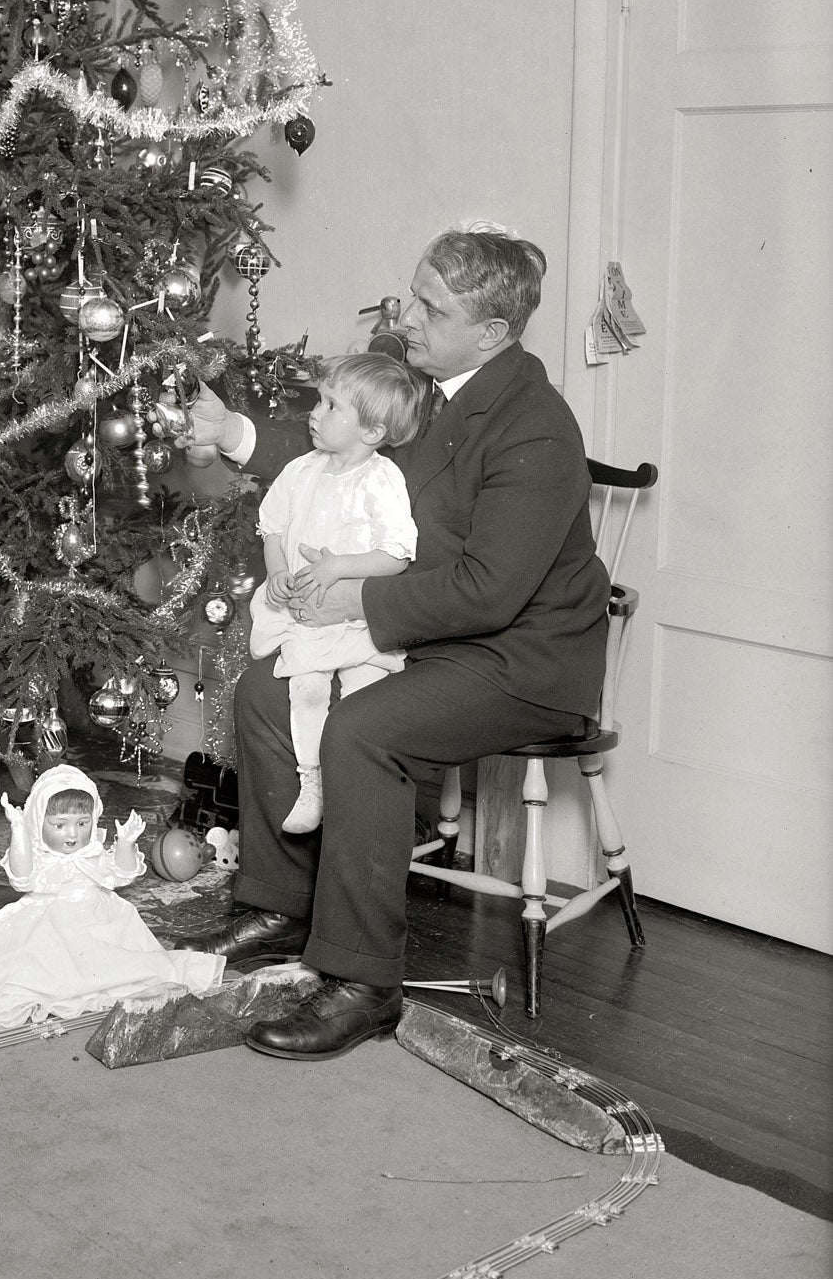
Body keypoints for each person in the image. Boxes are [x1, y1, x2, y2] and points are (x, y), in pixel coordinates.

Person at [182, 227, 611, 1061]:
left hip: (521, 657)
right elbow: (340, 447)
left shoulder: (536, 428)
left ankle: (364, 983)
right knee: (265, 690)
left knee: (364, 728)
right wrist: (236, 430)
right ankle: (282, 900)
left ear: (491, 332)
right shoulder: (431, 388)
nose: (405, 315)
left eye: (430, 307)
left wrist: (356, 595)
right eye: (415, 293)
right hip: (438, 632)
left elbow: (492, 589)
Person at [249, 353, 426, 833]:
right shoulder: (302, 470)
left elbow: (397, 554)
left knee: (361, 700)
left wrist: (337, 569)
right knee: (306, 689)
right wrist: (279, 571)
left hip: (357, 618)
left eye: (331, 407)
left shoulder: (380, 479)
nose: (314, 412)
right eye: (319, 401)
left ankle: (354, 788)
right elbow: (272, 528)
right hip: (306, 614)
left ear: (371, 432)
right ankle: (313, 781)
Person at [0, 764, 225, 1031]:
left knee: (122, 963)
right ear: (38, 822)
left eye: (82, 823)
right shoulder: (42, 859)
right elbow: (21, 875)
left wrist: (126, 843)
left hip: (99, 920)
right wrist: (19, 830)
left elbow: (122, 873)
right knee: (38, 968)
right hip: (50, 921)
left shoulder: (92, 853)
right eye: (59, 825)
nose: (72, 834)